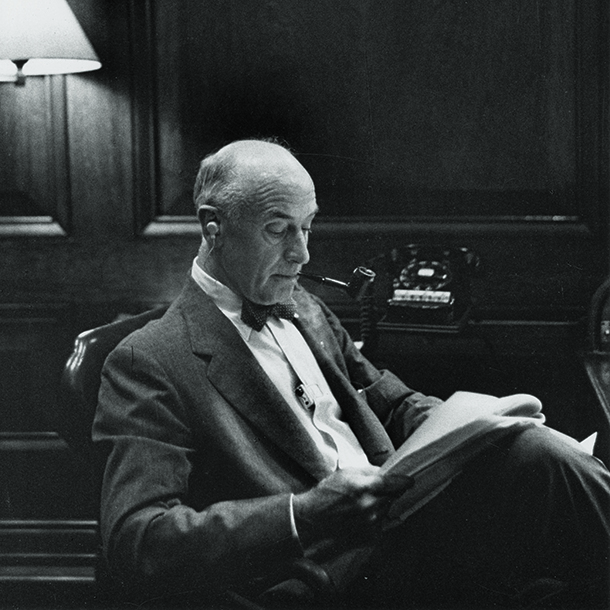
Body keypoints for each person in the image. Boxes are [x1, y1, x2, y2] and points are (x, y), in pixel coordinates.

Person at [93, 139, 610, 609]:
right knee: (549, 482)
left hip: (404, 529)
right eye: (278, 230)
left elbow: (392, 402)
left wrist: (487, 425)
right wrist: (304, 512)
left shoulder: (307, 310)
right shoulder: (149, 360)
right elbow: (137, 538)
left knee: (540, 453)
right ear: (214, 227)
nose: (302, 252)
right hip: (325, 572)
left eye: (307, 226)